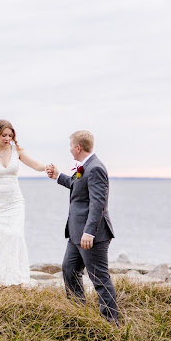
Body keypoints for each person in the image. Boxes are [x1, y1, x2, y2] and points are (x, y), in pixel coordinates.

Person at [46, 131, 118, 323]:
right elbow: (75, 184)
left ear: (78, 147)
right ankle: (79, 315)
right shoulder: (83, 167)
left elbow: (98, 203)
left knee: (100, 279)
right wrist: (57, 175)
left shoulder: (95, 168)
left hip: (91, 235)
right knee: (69, 270)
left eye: (70, 146)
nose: (69, 149)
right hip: (76, 234)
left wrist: (89, 232)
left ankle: (111, 323)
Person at [0, 119, 46, 289]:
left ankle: (19, 277)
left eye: (10, 135)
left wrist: (46, 168)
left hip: (15, 203)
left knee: (16, 236)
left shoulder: (16, 150)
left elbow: (35, 164)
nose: (7, 138)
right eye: (4, 135)